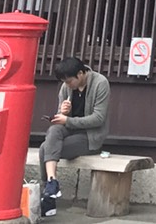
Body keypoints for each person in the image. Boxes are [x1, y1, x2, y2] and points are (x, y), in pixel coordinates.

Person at [39, 57, 111, 218]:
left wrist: (68, 120)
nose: (67, 85)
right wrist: (63, 112)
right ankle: (52, 182)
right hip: (70, 130)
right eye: (64, 82)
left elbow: (98, 118)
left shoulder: (100, 83)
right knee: (54, 130)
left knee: (45, 148)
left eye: (70, 81)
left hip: (90, 136)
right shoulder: (66, 87)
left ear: (80, 74)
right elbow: (61, 117)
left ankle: (48, 194)